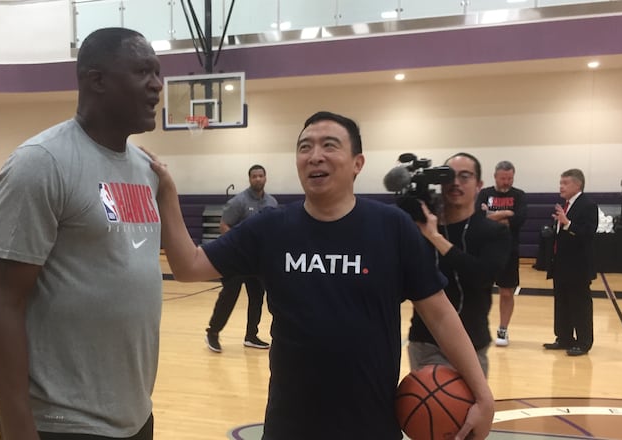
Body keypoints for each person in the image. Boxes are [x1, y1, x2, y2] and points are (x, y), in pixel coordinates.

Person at [148, 111, 494, 439]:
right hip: (290, 425)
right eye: (305, 146)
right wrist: (167, 194)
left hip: (371, 425)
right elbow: (188, 266)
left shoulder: (392, 227)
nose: (315, 155)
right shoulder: (270, 228)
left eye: (329, 145)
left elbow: (440, 313)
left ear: (358, 163)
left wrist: (482, 395)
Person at [0, 28, 163, 440]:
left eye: (158, 72)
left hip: (133, 414)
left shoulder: (144, 169)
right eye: (143, 72)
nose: (157, 85)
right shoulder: (40, 164)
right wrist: (17, 427)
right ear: (96, 80)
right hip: (61, 423)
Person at [409, 153, 511, 378]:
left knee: (472, 412)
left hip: (472, 342)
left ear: (479, 185)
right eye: (449, 177)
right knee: (424, 413)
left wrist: (435, 238)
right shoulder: (417, 227)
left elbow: (482, 276)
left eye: (465, 177)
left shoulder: (494, 232)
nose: (455, 183)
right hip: (425, 341)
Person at [206, 164, 278, 352]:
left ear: (265, 178)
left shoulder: (271, 202)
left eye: (261, 175)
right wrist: (239, 247)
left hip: (258, 261)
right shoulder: (239, 202)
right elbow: (224, 226)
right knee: (230, 295)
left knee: (257, 297)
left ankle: (251, 335)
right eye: (254, 176)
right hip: (237, 260)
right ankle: (213, 332)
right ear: (249, 179)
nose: (257, 179)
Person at [544, 169, 598, 357]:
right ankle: (564, 337)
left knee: (580, 304)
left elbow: (588, 233)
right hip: (561, 264)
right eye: (560, 182)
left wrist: (567, 223)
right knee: (562, 302)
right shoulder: (565, 205)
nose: (561, 186)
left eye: (565, 183)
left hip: (578, 266)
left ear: (578, 185)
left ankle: (583, 342)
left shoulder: (588, 205)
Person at [476, 160, 527, 347]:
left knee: (506, 292)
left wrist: (491, 215)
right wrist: (505, 213)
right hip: (484, 250)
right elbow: (478, 218)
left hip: (509, 251)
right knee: (481, 291)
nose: (506, 181)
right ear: (495, 177)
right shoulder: (484, 193)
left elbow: (519, 219)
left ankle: (503, 329)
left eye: (510, 178)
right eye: (503, 178)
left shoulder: (519, 195)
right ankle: (478, 326)